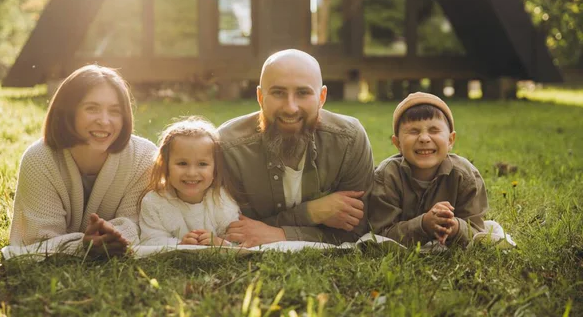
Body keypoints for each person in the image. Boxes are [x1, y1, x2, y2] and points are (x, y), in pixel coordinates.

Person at [219, 49, 374, 248]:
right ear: (260, 96)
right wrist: (312, 212)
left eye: (303, 93)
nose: (290, 107)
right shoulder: (228, 147)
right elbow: (229, 230)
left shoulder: (350, 141)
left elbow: (357, 230)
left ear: (322, 97)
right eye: (278, 93)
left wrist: (279, 234)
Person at [9, 65, 157, 256]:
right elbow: (37, 239)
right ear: (68, 112)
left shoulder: (144, 157)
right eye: (92, 108)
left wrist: (113, 237)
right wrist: (83, 246)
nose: (104, 121)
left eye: (114, 111)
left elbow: (137, 225)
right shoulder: (39, 159)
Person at [369, 92, 488, 247]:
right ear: (397, 143)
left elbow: (477, 231)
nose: (424, 138)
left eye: (434, 130)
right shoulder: (386, 177)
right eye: (413, 131)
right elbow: (381, 233)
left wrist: (455, 227)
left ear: (450, 140)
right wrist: (423, 224)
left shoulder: (466, 176)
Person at [139, 117, 240, 246]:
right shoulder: (155, 202)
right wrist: (180, 244)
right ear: (165, 165)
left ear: (215, 169)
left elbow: (236, 239)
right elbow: (150, 240)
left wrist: (220, 243)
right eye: (182, 163)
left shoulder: (221, 199)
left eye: (202, 164)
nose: (192, 173)